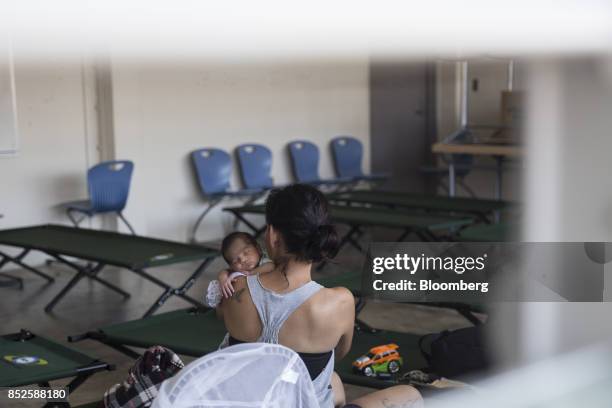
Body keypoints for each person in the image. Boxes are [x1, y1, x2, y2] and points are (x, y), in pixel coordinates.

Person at [217, 184, 422, 408]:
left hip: (241, 401)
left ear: (272, 234)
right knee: (409, 393)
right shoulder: (340, 301)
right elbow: (338, 354)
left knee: (334, 383)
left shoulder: (236, 288)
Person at [205, 231, 272, 307]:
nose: (242, 260)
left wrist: (251, 273)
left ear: (258, 249)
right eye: (235, 261)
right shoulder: (238, 270)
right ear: (231, 266)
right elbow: (226, 271)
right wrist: (223, 279)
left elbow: (270, 266)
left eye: (246, 252)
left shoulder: (263, 260)